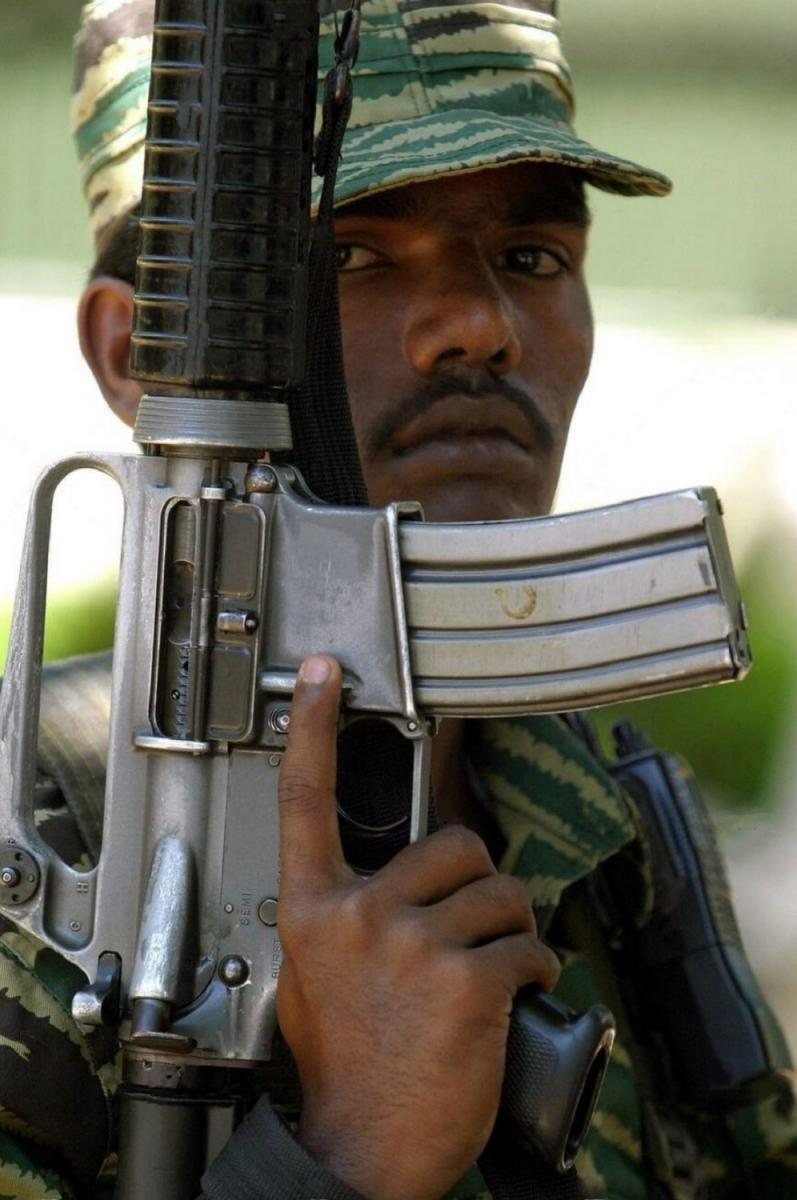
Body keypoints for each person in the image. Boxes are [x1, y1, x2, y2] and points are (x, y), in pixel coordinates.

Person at [0, 1, 794, 1197]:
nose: (477, 327)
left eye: (532, 258)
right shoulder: (40, 870)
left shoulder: (612, 832)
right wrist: (349, 1152)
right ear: (133, 356)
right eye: (357, 257)